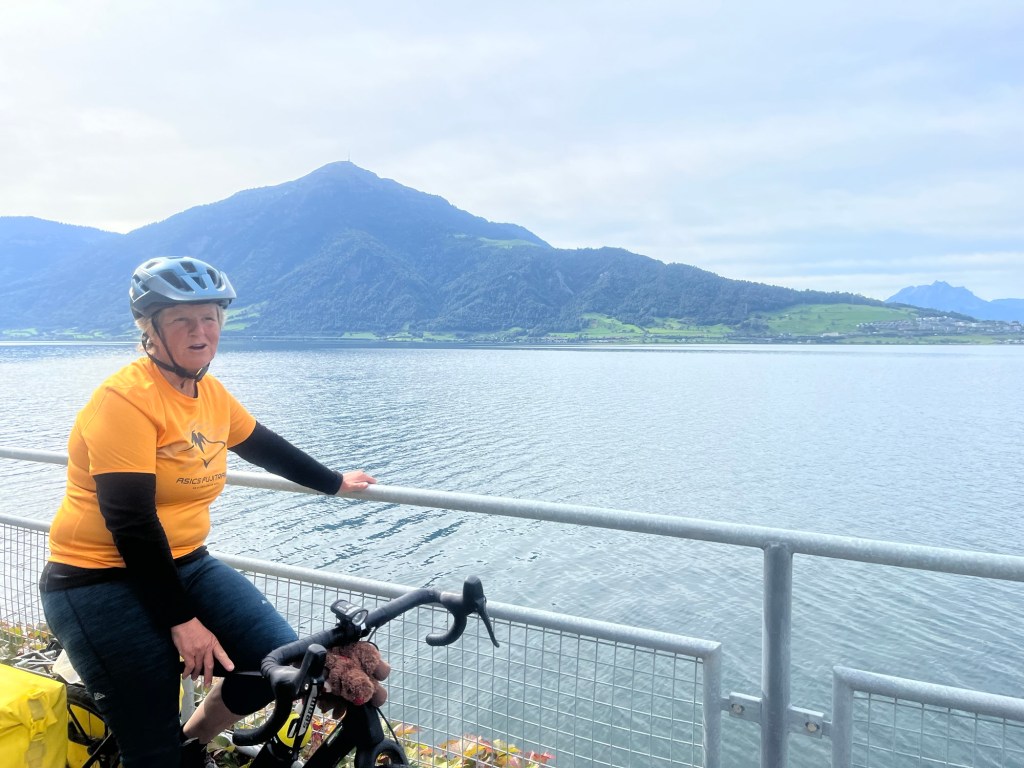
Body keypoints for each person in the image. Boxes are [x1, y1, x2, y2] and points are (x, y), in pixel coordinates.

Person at [39, 256, 378, 767]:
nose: (200, 332)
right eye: (182, 320)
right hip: (94, 579)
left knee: (274, 667)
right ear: (150, 328)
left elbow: (264, 446)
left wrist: (335, 482)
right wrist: (182, 621)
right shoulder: (125, 399)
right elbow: (131, 521)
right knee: (149, 743)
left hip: (185, 560)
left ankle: (192, 741)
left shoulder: (209, 393)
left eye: (210, 318)